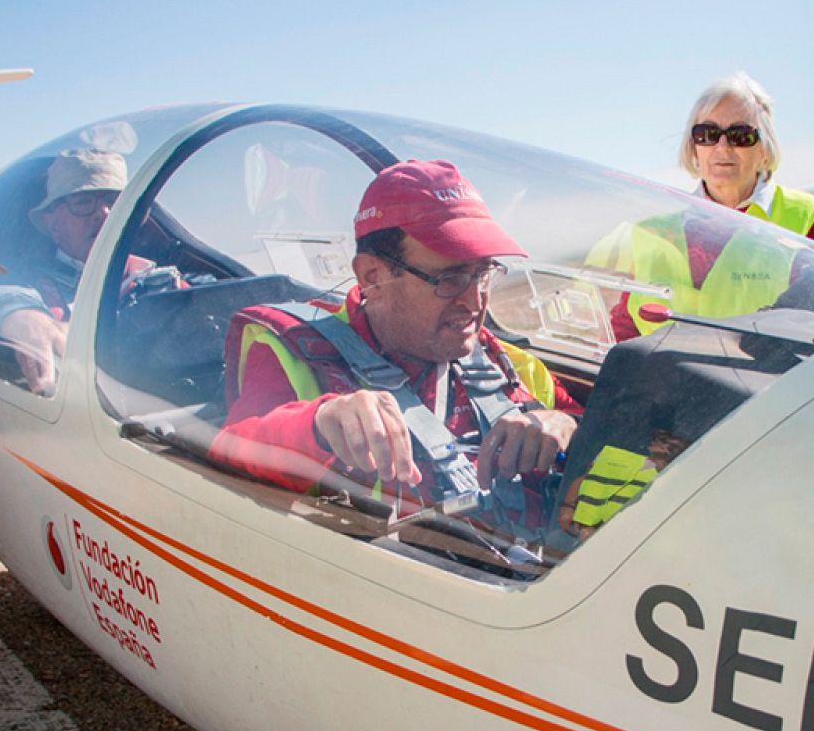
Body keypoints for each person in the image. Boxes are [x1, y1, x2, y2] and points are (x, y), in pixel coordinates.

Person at [208, 160, 582, 547]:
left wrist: (564, 426)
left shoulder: (504, 362)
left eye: (483, 274)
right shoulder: (296, 351)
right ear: (373, 277)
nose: (474, 301)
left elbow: (586, 422)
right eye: (450, 279)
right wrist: (319, 425)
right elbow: (228, 456)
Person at [601, 73, 814, 342]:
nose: (722, 147)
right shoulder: (651, 232)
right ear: (693, 148)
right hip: (667, 381)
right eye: (707, 134)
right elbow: (625, 330)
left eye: (740, 135)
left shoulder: (812, 219)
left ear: (765, 150)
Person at [0, 148, 158, 393]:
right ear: (52, 222)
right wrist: (21, 315)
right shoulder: (29, 284)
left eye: (114, 201)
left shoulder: (163, 278)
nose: (104, 214)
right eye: (83, 202)